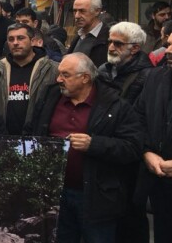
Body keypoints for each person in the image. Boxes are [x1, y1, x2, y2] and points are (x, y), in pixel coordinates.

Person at [24, 53, 142, 242]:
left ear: (85, 78)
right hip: (54, 195)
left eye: (65, 75)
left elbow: (133, 147)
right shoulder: (49, 97)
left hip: (96, 198)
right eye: (59, 74)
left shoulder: (115, 105)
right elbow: (30, 131)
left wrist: (93, 144)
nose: (58, 79)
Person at [95, 22, 152, 243]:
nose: (111, 47)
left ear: (135, 48)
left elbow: (142, 118)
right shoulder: (103, 71)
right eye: (110, 42)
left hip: (131, 154)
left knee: (131, 214)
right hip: (105, 149)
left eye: (118, 44)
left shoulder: (148, 76)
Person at [0, 24, 58, 135]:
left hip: (39, 137)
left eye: (21, 38)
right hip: (3, 137)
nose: (15, 43)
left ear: (32, 41)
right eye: (11, 39)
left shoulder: (52, 69)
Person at [133, 32, 172, 243]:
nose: (168, 51)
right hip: (159, 181)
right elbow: (138, 118)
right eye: (168, 44)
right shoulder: (156, 78)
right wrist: (147, 152)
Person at [67, 0, 109, 67]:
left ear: (97, 11)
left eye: (82, 11)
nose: (77, 16)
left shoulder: (109, 38)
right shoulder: (78, 37)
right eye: (75, 11)